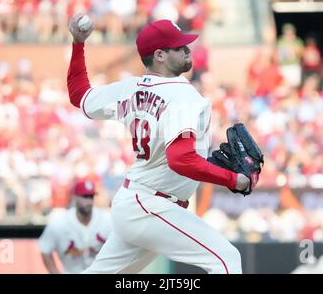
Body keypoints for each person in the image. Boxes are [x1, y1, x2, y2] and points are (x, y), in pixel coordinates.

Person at [66, 14, 255, 274]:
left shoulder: (129, 88)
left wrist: (78, 44)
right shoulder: (182, 94)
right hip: (151, 204)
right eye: (179, 47)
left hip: (137, 203)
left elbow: (80, 96)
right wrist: (235, 180)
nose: (188, 49)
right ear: (159, 55)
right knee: (226, 260)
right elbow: (181, 159)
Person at [38, 179, 112, 274]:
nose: (89, 201)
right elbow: (45, 249)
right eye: (85, 196)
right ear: (75, 197)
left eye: (91, 196)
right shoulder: (60, 222)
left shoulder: (106, 219)